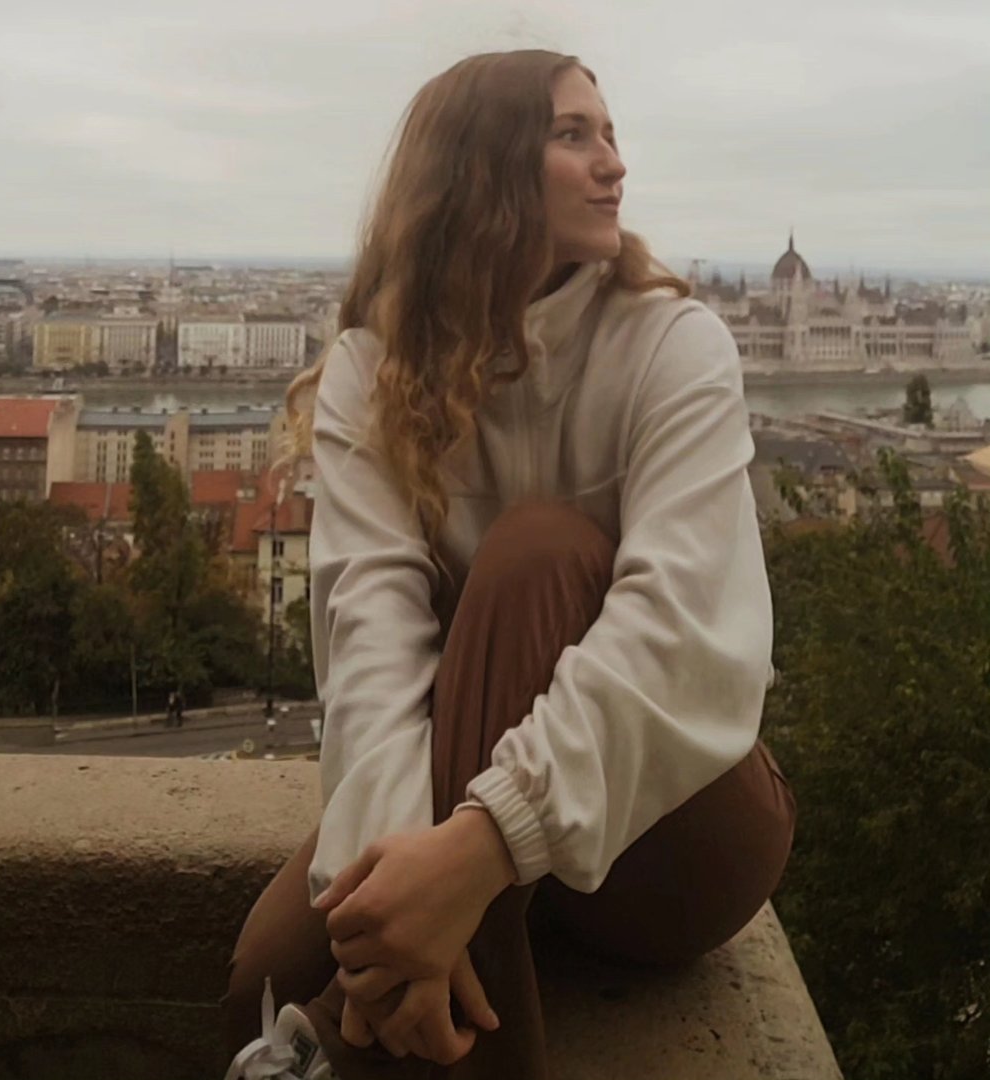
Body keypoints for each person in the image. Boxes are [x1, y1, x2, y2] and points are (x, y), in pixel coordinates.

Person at [223, 49, 796, 1080]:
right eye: (574, 135)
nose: (614, 163)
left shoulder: (673, 345)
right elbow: (373, 641)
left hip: (679, 827)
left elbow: (680, 636)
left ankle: (368, 1040)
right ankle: (436, 966)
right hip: (482, 783)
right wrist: (403, 894)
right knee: (262, 965)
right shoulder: (371, 369)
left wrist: (480, 847)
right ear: (482, 169)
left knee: (537, 556)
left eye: (610, 134)